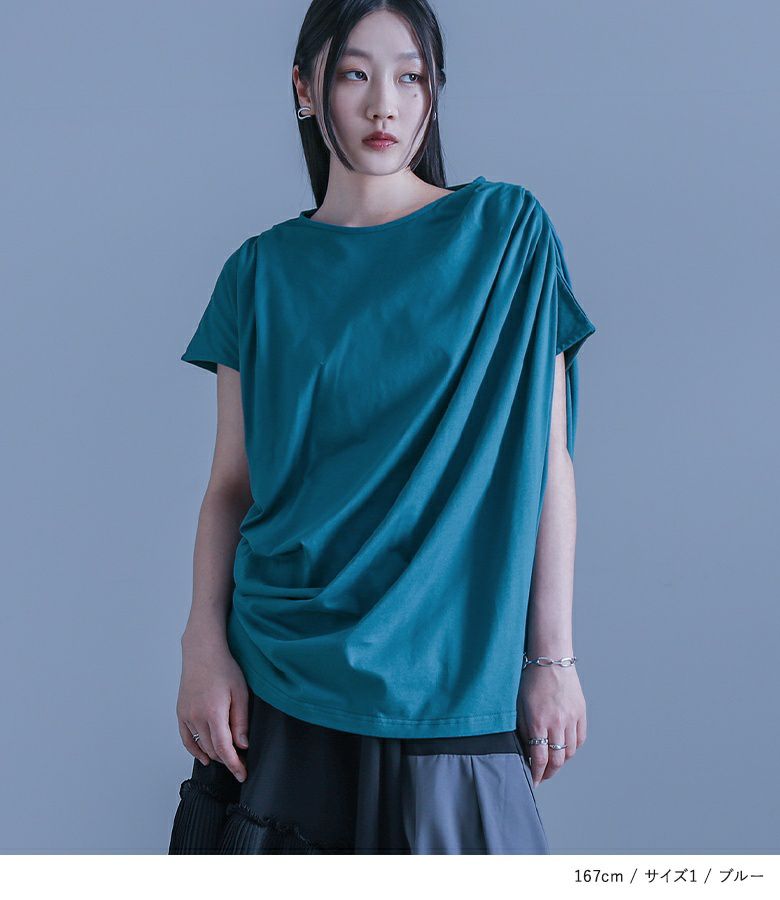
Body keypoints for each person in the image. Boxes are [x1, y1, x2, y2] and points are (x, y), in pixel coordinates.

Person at [168, 0, 596, 855]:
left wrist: (552, 660)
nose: (383, 105)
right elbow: (231, 487)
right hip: (281, 670)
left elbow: (547, 462)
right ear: (305, 88)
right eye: (354, 74)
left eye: (411, 77)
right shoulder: (257, 274)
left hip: (452, 676)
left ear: (435, 92)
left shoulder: (507, 236)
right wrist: (202, 645)